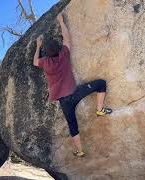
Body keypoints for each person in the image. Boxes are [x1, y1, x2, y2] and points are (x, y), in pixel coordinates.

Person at [33, 12, 112, 157]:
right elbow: (67, 38)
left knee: (72, 125)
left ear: (47, 53)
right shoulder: (64, 54)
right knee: (101, 84)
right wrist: (61, 21)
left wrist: (38, 46)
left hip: (64, 102)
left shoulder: (45, 63)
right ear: (58, 50)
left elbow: (35, 62)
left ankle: (80, 151)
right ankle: (99, 109)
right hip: (75, 93)